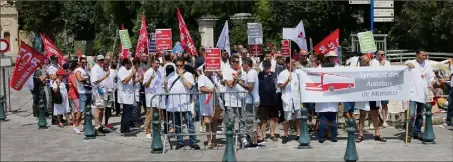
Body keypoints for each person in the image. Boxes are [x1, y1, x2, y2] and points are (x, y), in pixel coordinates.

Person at [165, 57, 200, 150]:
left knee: (190, 123)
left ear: (184, 65)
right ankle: (179, 142)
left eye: (181, 65)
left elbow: (189, 86)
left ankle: (193, 141)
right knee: (177, 124)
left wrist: (182, 76)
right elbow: (167, 90)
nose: (179, 67)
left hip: (185, 103)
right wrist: (165, 86)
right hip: (175, 103)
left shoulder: (188, 74)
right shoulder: (171, 75)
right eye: (177, 65)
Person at [355, 54, 387, 143]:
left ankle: (377, 134)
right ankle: (360, 134)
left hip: (373, 94)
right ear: (360, 61)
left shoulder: (373, 68)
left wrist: (382, 65)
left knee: (375, 114)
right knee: (362, 114)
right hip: (363, 95)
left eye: (368, 61)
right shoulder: (356, 70)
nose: (367, 63)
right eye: (365, 62)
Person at [405, 49, 435, 142]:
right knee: (411, 114)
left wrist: (431, 84)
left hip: (423, 93)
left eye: (425, 55)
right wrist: (407, 64)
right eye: (423, 55)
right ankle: (408, 134)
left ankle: (417, 132)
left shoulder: (428, 65)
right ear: (417, 55)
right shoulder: (412, 63)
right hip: (412, 93)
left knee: (420, 114)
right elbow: (406, 62)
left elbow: (431, 77)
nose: (425, 57)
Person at [315, 55, 339, 143]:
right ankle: (334, 136)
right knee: (332, 120)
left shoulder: (319, 75)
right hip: (329, 101)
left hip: (324, 102)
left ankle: (321, 137)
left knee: (323, 120)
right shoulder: (334, 76)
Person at [198, 66, 223, 148]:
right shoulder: (202, 77)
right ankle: (209, 141)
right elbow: (201, 88)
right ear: (205, 70)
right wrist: (209, 90)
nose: (211, 71)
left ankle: (214, 140)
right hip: (208, 104)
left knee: (215, 122)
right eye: (209, 69)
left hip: (215, 102)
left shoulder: (213, 78)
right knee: (208, 123)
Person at [278, 57, 301, 144]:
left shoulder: (297, 73)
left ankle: (298, 134)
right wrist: (287, 80)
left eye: (294, 63)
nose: (293, 64)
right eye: (291, 63)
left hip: (296, 98)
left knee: (298, 118)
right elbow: (280, 86)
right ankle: (286, 135)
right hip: (287, 98)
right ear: (287, 64)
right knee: (287, 118)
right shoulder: (282, 74)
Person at [257, 60, 278, 141]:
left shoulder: (274, 75)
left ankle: (272, 134)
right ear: (263, 67)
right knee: (263, 119)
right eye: (266, 67)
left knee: (272, 118)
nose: (267, 69)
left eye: (268, 67)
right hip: (263, 100)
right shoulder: (259, 75)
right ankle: (263, 135)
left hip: (273, 99)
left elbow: (277, 86)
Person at [143, 58, 162, 138]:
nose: (158, 65)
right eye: (157, 63)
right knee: (149, 114)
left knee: (158, 114)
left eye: (159, 63)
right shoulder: (148, 72)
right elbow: (145, 85)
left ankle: (156, 130)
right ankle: (147, 131)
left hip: (158, 96)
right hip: (150, 96)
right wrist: (151, 78)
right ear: (152, 64)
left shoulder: (159, 72)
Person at [91, 54, 110, 134]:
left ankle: (100, 126)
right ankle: (96, 127)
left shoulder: (100, 68)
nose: (102, 61)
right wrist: (105, 76)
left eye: (103, 60)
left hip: (103, 91)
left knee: (102, 109)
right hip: (98, 91)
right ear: (97, 60)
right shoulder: (95, 68)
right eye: (100, 60)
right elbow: (95, 81)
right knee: (98, 109)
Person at [372, 50, 392, 128]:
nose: (383, 56)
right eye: (381, 54)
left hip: (384, 86)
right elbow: (374, 73)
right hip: (375, 86)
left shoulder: (388, 63)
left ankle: (384, 121)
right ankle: (375, 121)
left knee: (384, 104)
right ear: (376, 55)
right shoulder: (372, 62)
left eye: (384, 54)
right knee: (374, 106)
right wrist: (381, 65)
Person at [117, 58, 136, 136]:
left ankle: (125, 128)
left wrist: (133, 74)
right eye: (130, 65)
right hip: (125, 95)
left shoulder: (126, 70)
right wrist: (131, 74)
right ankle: (125, 130)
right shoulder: (122, 70)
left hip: (129, 95)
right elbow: (124, 81)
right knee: (126, 114)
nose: (130, 66)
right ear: (126, 64)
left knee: (127, 113)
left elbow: (132, 81)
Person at [75, 56, 92, 131]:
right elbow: (79, 79)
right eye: (83, 62)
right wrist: (86, 78)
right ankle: (76, 126)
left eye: (85, 62)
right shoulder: (78, 70)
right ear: (79, 62)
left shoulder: (86, 69)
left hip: (88, 91)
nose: (84, 63)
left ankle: (85, 124)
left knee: (87, 110)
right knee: (81, 110)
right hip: (82, 92)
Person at [67, 63, 81, 133]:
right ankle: (76, 125)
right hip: (74, 95)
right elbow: (75, 85)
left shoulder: (71, 75)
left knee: (75, 110)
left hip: (73, 95)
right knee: (79, 110)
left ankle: (75, 125)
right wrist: (80, 92)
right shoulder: (73, 76)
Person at [103, 55, 116, 129]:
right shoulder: (101, 68)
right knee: (102, 108)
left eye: (110, 59)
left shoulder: (113, 70)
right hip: (104, 91)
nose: (109, 61)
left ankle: (106, 123)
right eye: (107, 59)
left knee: (108, 108)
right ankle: (99, 124)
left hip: (110, 91)